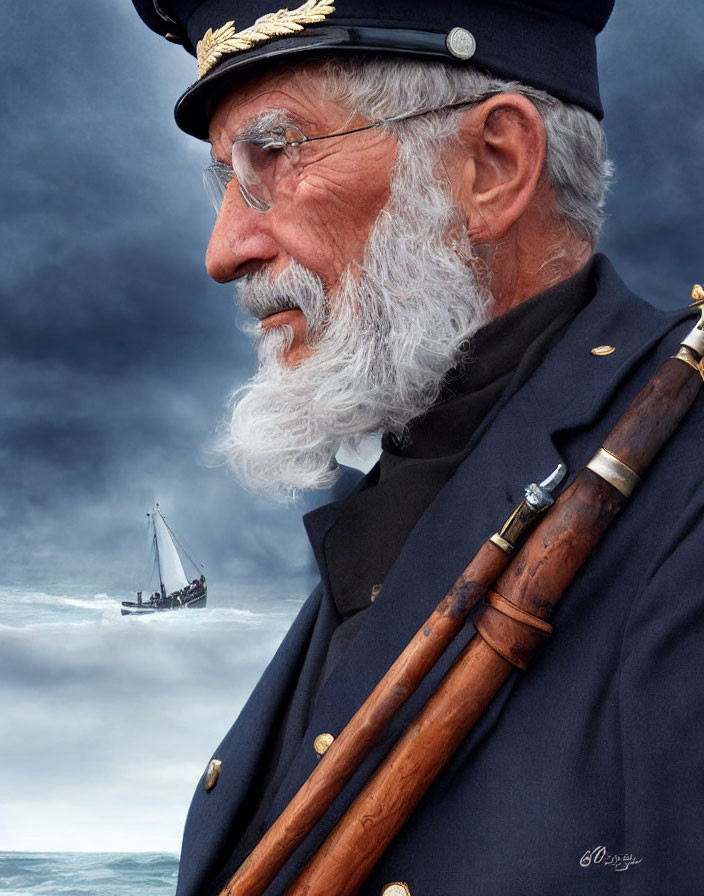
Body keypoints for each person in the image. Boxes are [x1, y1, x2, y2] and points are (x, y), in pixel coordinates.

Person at [131, 1, 704, 894]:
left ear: (491, 167)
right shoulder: (415, 474)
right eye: (226, 181)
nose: (224, 250)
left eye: (273, 158)